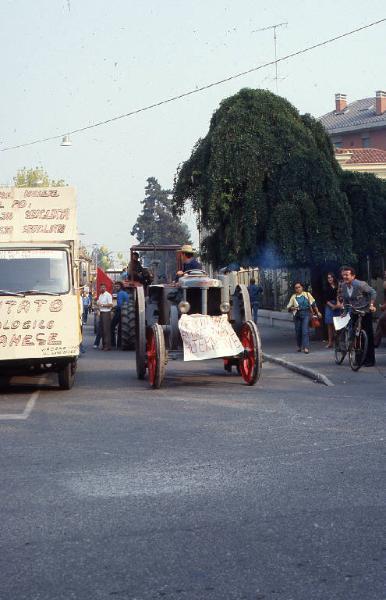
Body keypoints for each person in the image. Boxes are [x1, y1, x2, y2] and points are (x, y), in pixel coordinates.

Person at [339, 266, 377, 366]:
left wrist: (372, 305)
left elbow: (373, 292)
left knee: (367, 336)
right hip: (354, 312)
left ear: (353, 276)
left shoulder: (360, 284)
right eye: (343, 275)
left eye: (347, 275)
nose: (345, 277)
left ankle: (369, 360)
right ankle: (358, 359)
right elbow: (346, 300)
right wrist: (345, 312)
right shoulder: (343, 286)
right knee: (355, 336)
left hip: (365, 311)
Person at [287, 282, 321, 354]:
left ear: (302, 287)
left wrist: (318, 312)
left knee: (305, 331)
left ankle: (306, 347)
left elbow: (313, 304)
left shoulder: (307, 294)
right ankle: (299, 346)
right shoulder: (293, 297)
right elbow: (289, 307)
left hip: (306, 314)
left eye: (299, 287)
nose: (298, 289)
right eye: (296, 288)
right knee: (298, 331)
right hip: (297, 315)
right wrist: (293, 308)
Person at [93, 283, 113, 351]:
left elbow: (110, 305)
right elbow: (98, 303)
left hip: (106, 313)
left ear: (105, 288)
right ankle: (104, 345)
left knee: (106, 330)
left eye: (104, 287)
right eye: (101, 287)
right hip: (101, 313)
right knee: (102, 330)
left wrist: (102, 305)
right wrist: (96, 303)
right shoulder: (100, 295)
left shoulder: (108, 295)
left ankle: (108, 346)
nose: (102, 289)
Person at [324, 272, 341, 348]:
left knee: (337, 325)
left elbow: (340, 296)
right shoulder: (326, 287)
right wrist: (332, 306)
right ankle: (330, 342)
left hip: (338, 305)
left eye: (331, 277)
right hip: (329, 305)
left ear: (334, 278)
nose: (330, 279)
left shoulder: (338, 286)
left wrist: (337, 305)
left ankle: (338, 342)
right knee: (330, 325)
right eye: (328, 278)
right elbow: (326, 300)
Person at [111, 282, 129, 347]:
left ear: (121, 287)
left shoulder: (120, 293)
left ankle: (112, 343)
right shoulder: (125, 293)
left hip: (120, 311)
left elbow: (120, 305)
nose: (116, 287)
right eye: (115, 286)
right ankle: (119, 344)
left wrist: (114, 308)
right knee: (121, 328)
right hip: (126, 312)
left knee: (112, 326)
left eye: (117, 286)